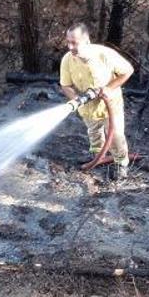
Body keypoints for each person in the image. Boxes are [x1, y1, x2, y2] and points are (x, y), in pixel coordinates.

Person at [59, 23, 134, 180]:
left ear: (86, 41)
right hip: (87, 108)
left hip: (110, 106)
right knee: (94, 132)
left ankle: (121, 163)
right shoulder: (67, 59)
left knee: (116, 136)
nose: (70, 46)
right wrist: (76, 100)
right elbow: (65, 85)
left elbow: (128, 70)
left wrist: (109, 88)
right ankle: (97, 156)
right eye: (68, 42)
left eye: (74, 42)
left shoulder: (104, 55)